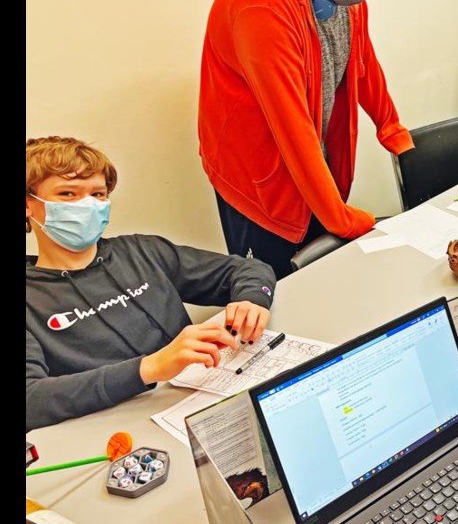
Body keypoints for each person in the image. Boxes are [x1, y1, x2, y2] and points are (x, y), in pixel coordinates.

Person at [198, 0, 414, 279]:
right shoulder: (261, 0)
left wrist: (395, 134)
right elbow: (290, 124)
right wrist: (342, 219)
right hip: (259, 173)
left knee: (322, 275)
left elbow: (362, 62)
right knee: (279, 286)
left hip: (311, 152)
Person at [26, 137, 276, 431]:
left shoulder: (142, 252)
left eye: (97, 194)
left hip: (204, 400)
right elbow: (32, 401)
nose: (86, 205)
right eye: (68, 193)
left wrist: (251, 300)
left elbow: (247, 269)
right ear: (30, 206)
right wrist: (150, 368)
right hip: (117, 434)